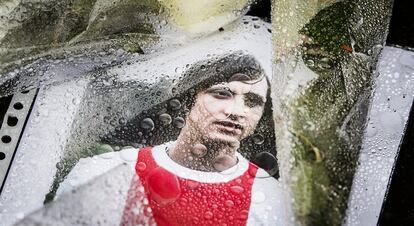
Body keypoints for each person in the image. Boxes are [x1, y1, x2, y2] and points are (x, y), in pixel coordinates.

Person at [57, 53, 291, 226]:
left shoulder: (273, 199)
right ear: (189, 98)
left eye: (252, 102)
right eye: (222, 93)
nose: (237, 111)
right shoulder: (101, 173)